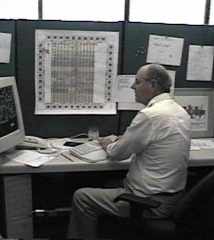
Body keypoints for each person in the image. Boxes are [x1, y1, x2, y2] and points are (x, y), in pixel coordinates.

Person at [66, 63, 192, 239]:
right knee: (110, 183)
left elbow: (117, 154)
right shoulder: (179, 111)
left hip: (151, 203)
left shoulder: (151, 115)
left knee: (82, 197)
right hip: (174, 197)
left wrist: (108, 144)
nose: (133, 86)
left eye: (138, 82)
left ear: (153, 84)